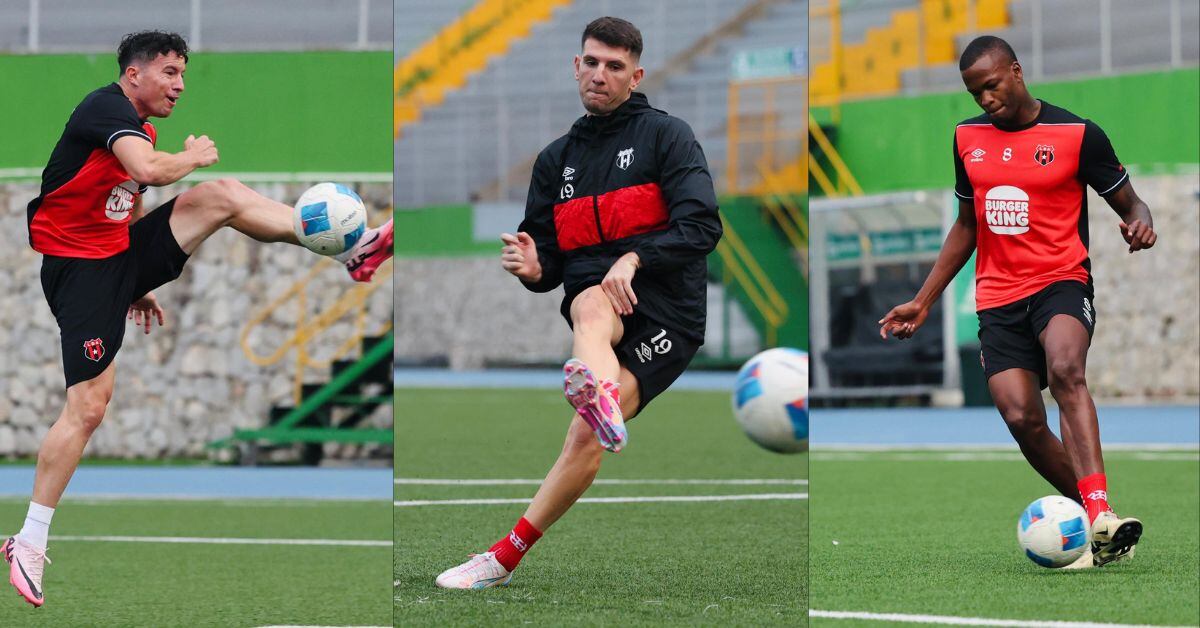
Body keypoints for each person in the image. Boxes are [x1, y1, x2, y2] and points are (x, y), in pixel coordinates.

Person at [2, 30, 394, 607]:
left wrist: (137, 280)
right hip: (79, 273)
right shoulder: (104, 107)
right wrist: (190, 156)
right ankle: (29, 540)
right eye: (169, 73)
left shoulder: (142, 124)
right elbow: (151, 170)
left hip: (116, 258)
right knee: (88, 408)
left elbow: (130, 189)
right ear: (134, 74)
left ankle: (350, 250)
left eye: (183, 74)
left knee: (223, 196)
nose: (180, 85)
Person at [434, 16, 722, 589]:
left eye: (614, 67)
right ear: (576, 66)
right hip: (599, 311)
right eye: (591, 62)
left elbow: (703, 224)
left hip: (669, 314)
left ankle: (600, 401)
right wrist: (535, 268)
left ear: (635, 75)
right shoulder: (554, 161)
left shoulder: (668, 136)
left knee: (586, 421)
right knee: (589, 308)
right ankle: (503, 559)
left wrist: (635, 258)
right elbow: (548, 262)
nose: (600, 75)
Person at [879, 36, 1155, 568]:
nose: (984, 99)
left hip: (1061, 281)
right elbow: (968, 225)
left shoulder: (1078, 135)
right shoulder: (966, 139)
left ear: (1016, 71)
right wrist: (924, 300)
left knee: (1067, 368)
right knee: (1020, 415)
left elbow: (1130, 198)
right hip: (998, 296)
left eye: (991, 85)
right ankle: (1097, 517)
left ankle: (1097, 513)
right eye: (973, 92)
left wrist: (1140, 221)